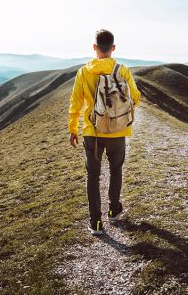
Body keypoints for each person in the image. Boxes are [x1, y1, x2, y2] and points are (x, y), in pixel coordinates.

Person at [68, 29, 141, 236]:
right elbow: (135, 98)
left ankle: (96, 223)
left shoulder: (84, 72)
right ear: (113, 48)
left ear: (94, 47)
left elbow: (76, 102)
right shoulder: (122, 70)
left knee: (93, 176)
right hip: (118, 131)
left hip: (93, 132)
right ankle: (114, 209)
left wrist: (73, 128)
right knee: (116, 170)